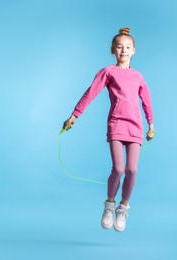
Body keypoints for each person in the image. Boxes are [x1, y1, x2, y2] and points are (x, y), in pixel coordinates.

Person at [62, 27, 155, 232]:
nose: (124, 50)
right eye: (119, 47)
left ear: (134, 50)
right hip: (116, 124)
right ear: (113, 50)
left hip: (136, 127)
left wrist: (151, 124)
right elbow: (91, 93)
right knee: (119, 169)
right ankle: (109, 204)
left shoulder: (139, 77)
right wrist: (74, 115)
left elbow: (146, 101)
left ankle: (123, 207)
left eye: (128, 47)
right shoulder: (108, 72)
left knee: (132, 170)